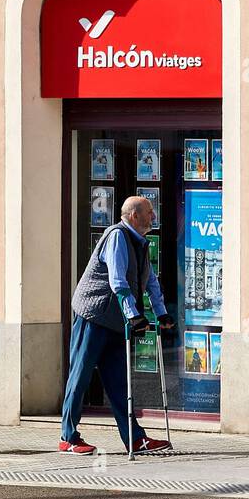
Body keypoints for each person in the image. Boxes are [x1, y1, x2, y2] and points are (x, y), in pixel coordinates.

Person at [60, 194, 175, 455]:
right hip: (94, 314)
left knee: (120, 383)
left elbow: (151, 282)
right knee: (80, 376)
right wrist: (134, 315)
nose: (153, 216)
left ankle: (135, 439)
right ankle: (68, 436)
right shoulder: (117, 237)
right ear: (135, 216)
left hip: (114, 320)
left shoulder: (141, 242)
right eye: (149, 212)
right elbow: (118, 282)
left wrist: (161, 313)